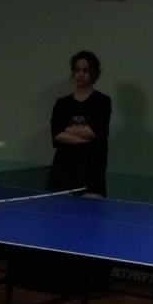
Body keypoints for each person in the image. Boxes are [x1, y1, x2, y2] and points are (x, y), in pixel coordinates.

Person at [46, 50, 111, 197]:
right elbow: (57, 135)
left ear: (94, 73)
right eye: (77, 70)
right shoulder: (62, 104)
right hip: (63, 172)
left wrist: (67, 129)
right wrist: (86, 140)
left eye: (86, 70)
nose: (81, 74)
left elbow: (94, 132)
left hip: (92, 173)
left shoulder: (102, 101)